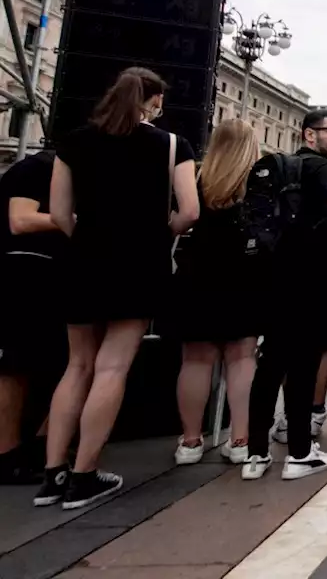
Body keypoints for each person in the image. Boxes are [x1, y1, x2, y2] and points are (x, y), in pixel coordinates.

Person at [38, 67, 200, 509]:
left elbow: (58, 214)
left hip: (84, 260)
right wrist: (157, 232)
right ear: (154, 102)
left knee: (76, 367)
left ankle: (52, 475)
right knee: (111, 369)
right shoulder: (171, 145)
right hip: (138, 264)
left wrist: (88, 240)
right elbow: (189, 212)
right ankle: (83, 476)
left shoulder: (74, 141)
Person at [243, 107, 327, 481]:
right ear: (310, 135)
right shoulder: (324, 168)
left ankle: (255, 455)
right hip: (312, 277)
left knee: (270, 364)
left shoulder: (276, 165)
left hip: (273, 276)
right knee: (304, 364)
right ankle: (300, 454)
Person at [168, 119, 264, 466]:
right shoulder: (257, 179)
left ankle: (191, 442)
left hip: (199, 272)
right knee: (242, 358)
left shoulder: (195, 175)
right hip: (245, 273)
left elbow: (184, 218)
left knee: (195, 360)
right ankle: (241, 440)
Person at [0, 142, 68, 485]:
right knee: (14, 365)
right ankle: (6, 453)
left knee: (56, 364)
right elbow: (20, 219)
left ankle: (40, 449)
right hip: (21, 273)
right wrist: (72, 220)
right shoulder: (39, 168)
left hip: (49, 276)